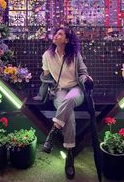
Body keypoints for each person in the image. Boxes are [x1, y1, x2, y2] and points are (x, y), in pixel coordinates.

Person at [36, 27, 93, 179]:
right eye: (56, 33)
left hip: (76, 91)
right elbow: (46, 76)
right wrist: (45, 80)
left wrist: (85, 79)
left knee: (68, 100)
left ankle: (54, 130)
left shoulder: (74, 55)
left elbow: (83, 72)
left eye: (60, 34)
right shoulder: (47, 55)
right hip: (60, 90)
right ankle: (69, 156)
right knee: (70, 116)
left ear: (67, 40)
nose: (56, 35)